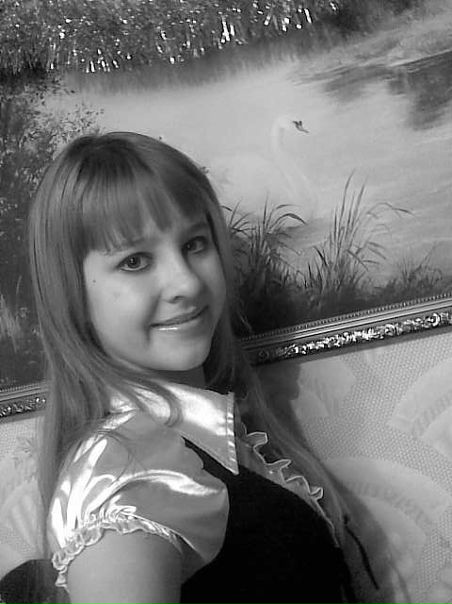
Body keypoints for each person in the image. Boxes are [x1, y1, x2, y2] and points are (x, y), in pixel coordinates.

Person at [27, 131, 373, 604]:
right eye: (134, 261)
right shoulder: (128, 475)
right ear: (72, 295)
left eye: (194, 244)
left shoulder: (197, 441)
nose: (186, 283)